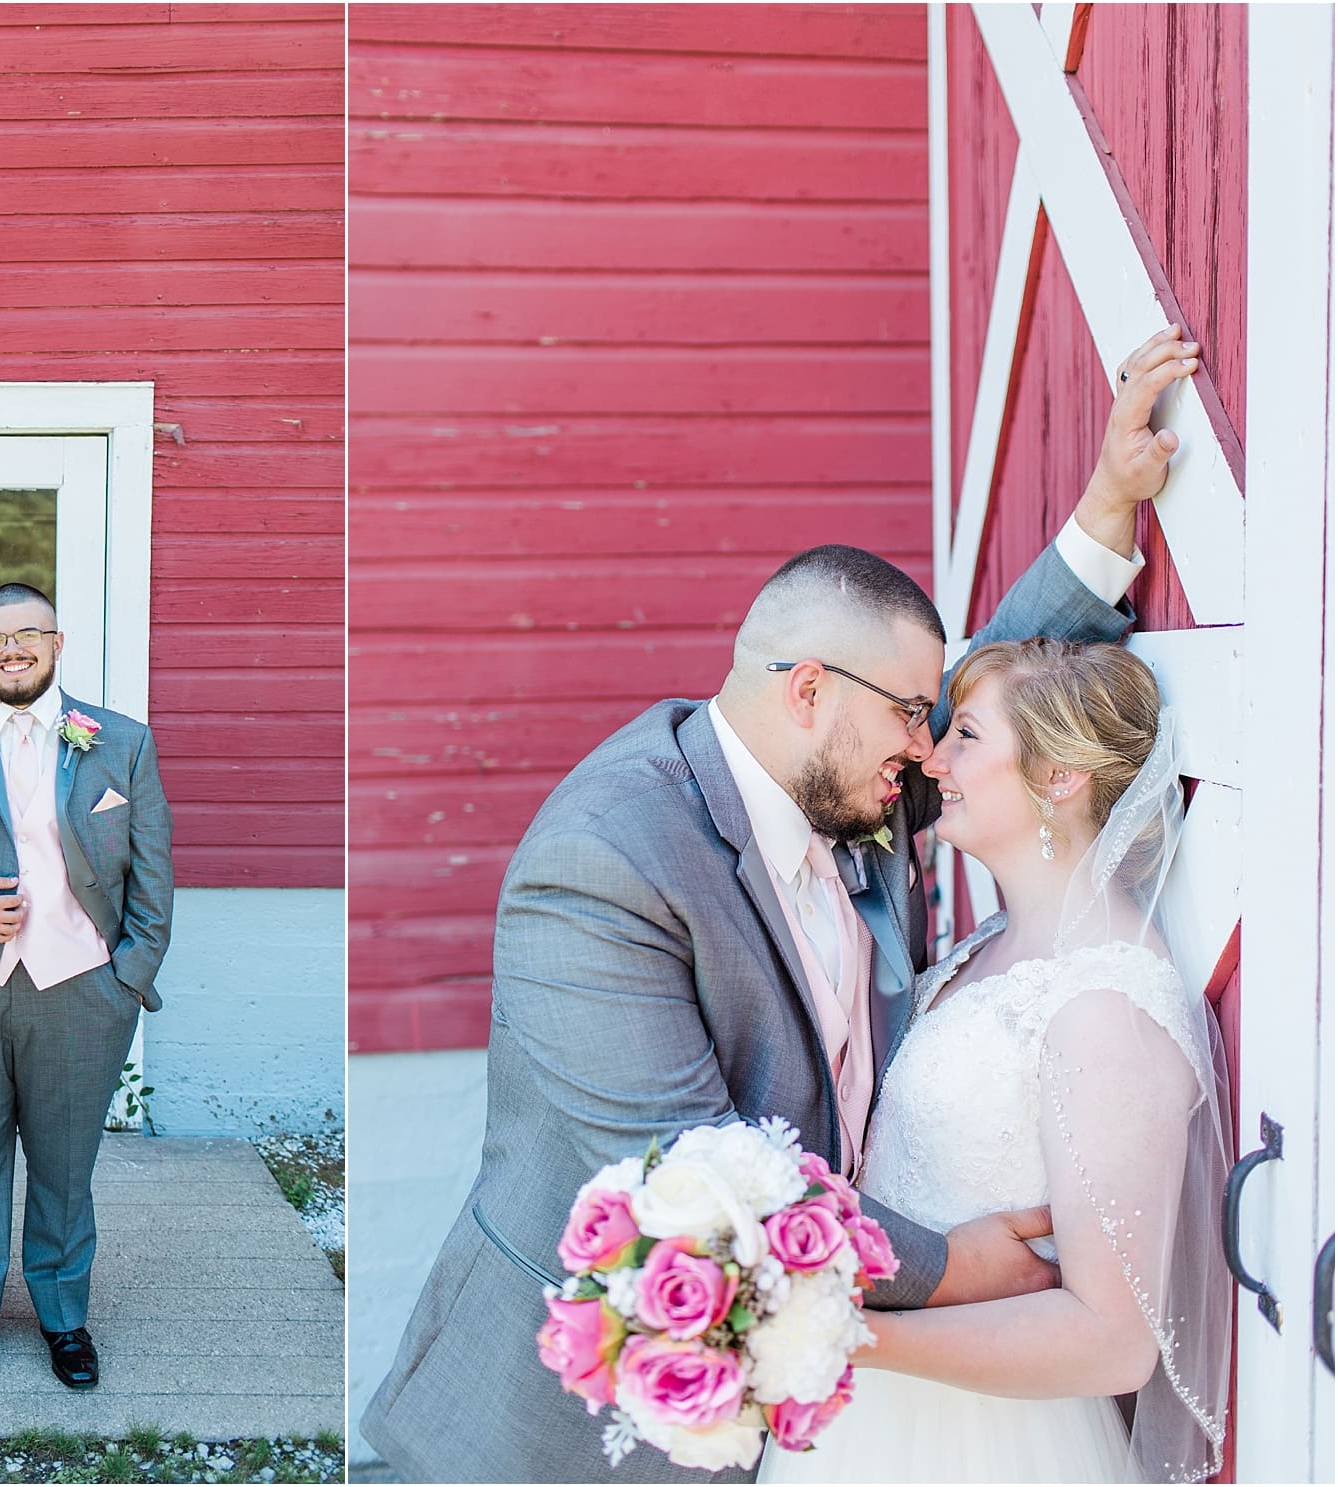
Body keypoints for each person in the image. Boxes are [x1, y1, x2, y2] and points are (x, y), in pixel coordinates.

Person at [360, 326, 1205, 1484]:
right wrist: (953, 1267)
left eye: (937, 724)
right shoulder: (608, 861)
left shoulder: (858, 772)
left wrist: (1109, 508)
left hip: (824, 1410)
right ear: (810, 691)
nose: (930, 751)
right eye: (916, 716)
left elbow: (1010, 715)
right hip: (568, 1428)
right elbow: (695, 1177)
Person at [754, 639, 1228, 1484]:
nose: (931, 758)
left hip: (979, 1441)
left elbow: (1113, 1338)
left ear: (1058, 779)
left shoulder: (1106, 1006)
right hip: (871, 1413)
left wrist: (849, 1337)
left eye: (965, 734)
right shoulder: (984, 950)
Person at [0, 582, 174, 1394]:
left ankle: (61, 1315)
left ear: (58, 641)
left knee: (62, 1166)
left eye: (26, 634)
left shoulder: (120, 741)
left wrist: (129, 977)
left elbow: (153, 876)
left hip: (83, 989)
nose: (9, 649)